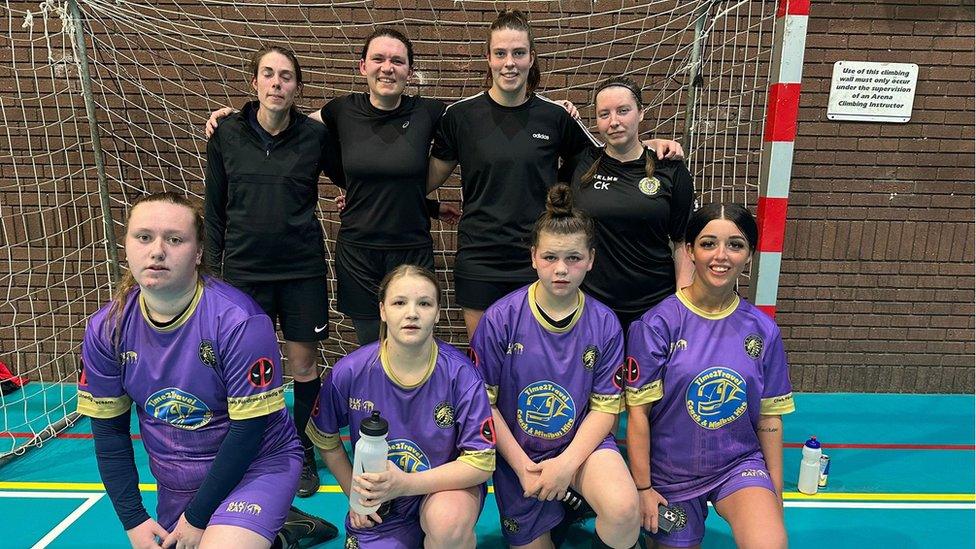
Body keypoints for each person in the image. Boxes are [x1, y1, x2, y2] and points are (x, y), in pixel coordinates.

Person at [76, 192, 336, 549]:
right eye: (144, 237)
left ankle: (262, 523)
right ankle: (285, 531)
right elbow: (110, 436)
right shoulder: (108, 328)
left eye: (174, 239)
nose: (157, 251)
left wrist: (198, 518)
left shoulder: (239, 322)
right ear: (127, 246)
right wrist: (133, 519)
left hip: (256, 465)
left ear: (198, 253)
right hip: (178, 479)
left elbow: (248, 432)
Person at [428, 9, 684, 340]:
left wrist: (647, 143)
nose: (510, 63)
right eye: (501, 53)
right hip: (480, 259)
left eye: (519, 53)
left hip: (540, 259)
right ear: (488, 58)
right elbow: (421, 181)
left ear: (531, 58)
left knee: (536, 363)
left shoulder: (554, 116)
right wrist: (366, 194)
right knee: (485, 366)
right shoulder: (460, 117)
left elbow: (607, 153)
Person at [470, 185, 641, 549]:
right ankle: (565, 506)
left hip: (581, 451)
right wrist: (521, 467)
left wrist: (565, 467)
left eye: (574, 258)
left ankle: (578, 501)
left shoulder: (605, 323)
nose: (561, 269)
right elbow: (484, 406)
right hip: (520, 456)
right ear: (533, 257)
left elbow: (605, 409)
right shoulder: (500, 319)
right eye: (550, 257)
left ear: (591, 259)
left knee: (626, 512)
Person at [204, 45, 339, 497]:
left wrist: (349, 198)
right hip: (243, 272)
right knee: (245, 368)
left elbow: (353, 175)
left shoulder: (315, 137)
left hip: (301, 269)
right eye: (269, 74)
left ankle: (298, 451)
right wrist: (213, 273)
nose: (277, 83)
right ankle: (248, 449)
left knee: (302, 364)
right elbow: (215, 208)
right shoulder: (225, 133)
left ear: (298, 87)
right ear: (255, 82)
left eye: (286, 76)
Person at [625, 203, 794, 549]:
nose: (722, 256)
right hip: (671, 472)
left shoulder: (763, 330)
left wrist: (775, 494)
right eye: (708, 244)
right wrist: (642, 488)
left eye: (735, 244)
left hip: (737, 463)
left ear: (749, 254)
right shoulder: (656, 326)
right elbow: (638, 415)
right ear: (689, 250)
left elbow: (770, 418)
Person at [307, 264, 495, 548]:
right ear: (382, 310)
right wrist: (356, 497)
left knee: (448, 523)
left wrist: (405, 483)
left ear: (437, 312)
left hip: (443, 489)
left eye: (424, 303)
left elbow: (481, 464)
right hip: (382, 502)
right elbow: (327, 440)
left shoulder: (462, 374)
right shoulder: (350, 371)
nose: (412, 313)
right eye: (399, 302)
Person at [570, 77, 696, 331]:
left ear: (641, 113)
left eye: (623, 111)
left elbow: (683, 243)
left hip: (654, 304)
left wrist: (681, 306)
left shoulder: (670, 168)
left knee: (648, 373)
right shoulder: (580, 163)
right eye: (604, 114)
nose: (614, 121)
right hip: (592, 306)